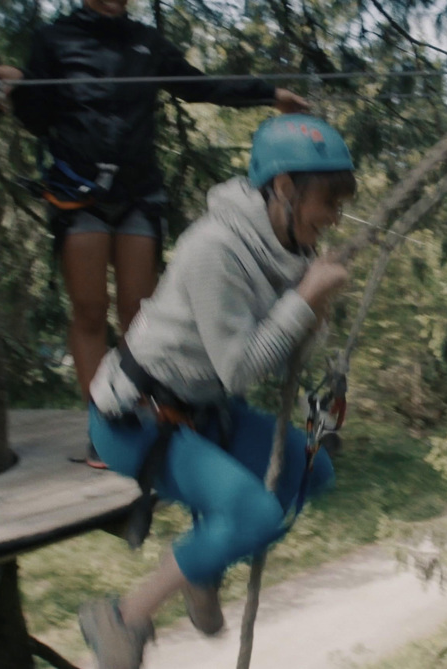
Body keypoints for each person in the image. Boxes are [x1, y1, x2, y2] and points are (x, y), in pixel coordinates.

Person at [75, 114, 354, 669]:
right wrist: (303, 301)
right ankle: (122, 616)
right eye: (327, 201)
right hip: (139, 421)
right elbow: (241, 370)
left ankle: (200, 567)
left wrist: (311, 304)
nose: (334, 217)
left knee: (312, 472)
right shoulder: (216, 248)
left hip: (205, 413)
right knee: (254, 515)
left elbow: (284, 347)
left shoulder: (287, 243)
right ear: (283, 189)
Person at [0, 0, 310, 446]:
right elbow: (38, 118)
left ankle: (148, 413)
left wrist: (269, 94)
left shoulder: (146, 42)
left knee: (142, 313)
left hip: (137, 192)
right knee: (90, 311)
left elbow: (198, 86)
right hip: (78, 194)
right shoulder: (55, 39)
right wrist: (13, 87)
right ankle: (103, 429)